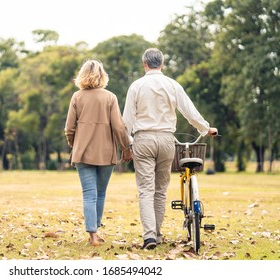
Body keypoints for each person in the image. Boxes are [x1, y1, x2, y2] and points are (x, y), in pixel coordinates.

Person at [122, 48, 218, 250]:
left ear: (144, 64)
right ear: (162, 64)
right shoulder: (172, 85)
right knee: (160, 190)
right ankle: (156, 234)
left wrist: (126, 144)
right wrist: (205, 128)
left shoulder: (136, 86)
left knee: (146, 190)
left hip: (143, 139)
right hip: (167, 140)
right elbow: (190, 113)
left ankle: (150, 236)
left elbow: (127, 120)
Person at [65, 59, 132, 247]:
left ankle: (92, 234)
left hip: (83, 153)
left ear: (82, 75)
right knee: (100, 193)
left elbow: (69, 128)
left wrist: (73, 143)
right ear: (102, 75)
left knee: (89, 194)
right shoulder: (110, 97)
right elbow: (119, 127)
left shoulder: (76, 97)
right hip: (106, 153)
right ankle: (96, 230)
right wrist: (126, 148)